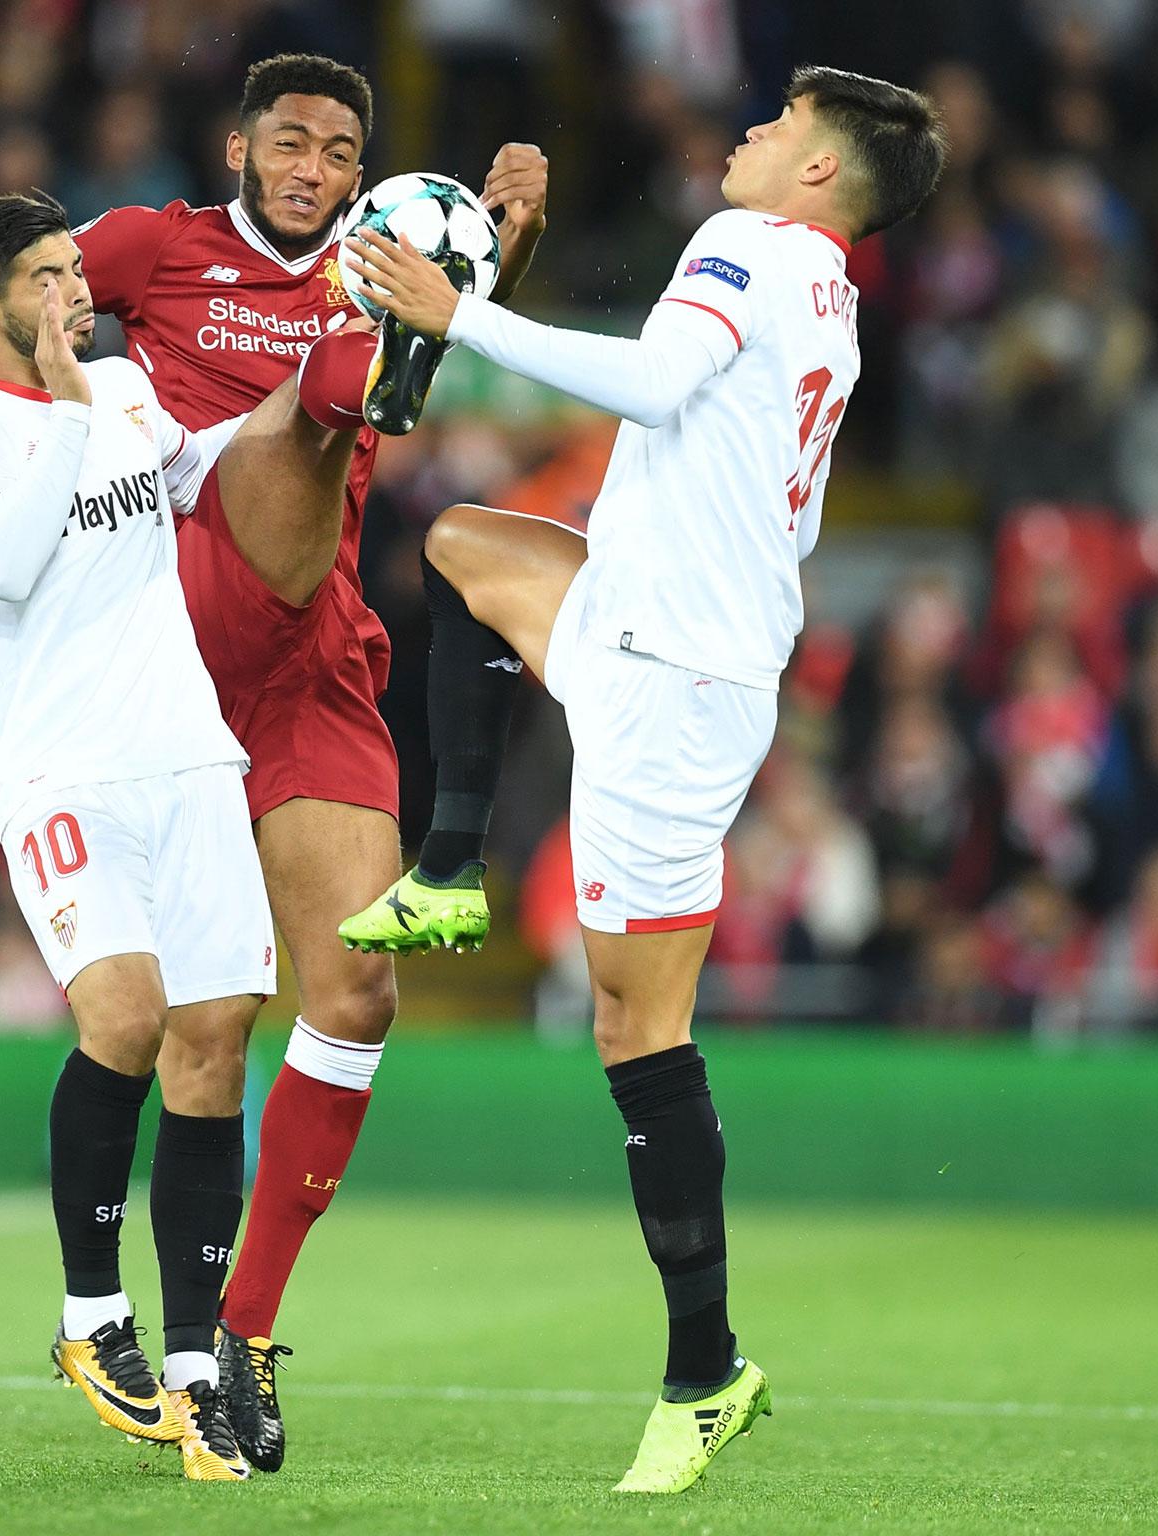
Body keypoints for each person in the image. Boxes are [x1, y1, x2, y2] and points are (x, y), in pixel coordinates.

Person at [0, 51, 550, 1471]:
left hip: (289, 660)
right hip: (146, 675)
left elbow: (213, 429)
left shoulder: (379, 263)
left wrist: (499, 243)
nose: (315, 168)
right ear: (243, 150)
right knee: (135, 1022)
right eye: (292, 143)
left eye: (342, 147)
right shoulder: (140, 263)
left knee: (330, 1000)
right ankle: (106, 1314)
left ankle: (221, 1344)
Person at [339, 66, 948, 1493]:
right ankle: (445, 869)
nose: (750, 134)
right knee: (467, 552)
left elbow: (656, 382)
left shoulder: (743, 247)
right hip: (645, 619)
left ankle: (703, 1370)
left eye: (780, 127)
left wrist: (461, 313)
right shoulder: (833, 295)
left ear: (818, 176)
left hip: (674, 676)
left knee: (637, 1031)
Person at [0, 191, 373, 1481]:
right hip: (62, 773)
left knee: (213, 1047)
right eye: (48, 278)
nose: (77, 293)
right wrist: (64, 403)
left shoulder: (117, 387)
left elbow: (200, 466)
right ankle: (86, 1313)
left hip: (188, 753)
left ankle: (193, 1370)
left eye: (74, 271)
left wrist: (313, 396)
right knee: (121, 1017)